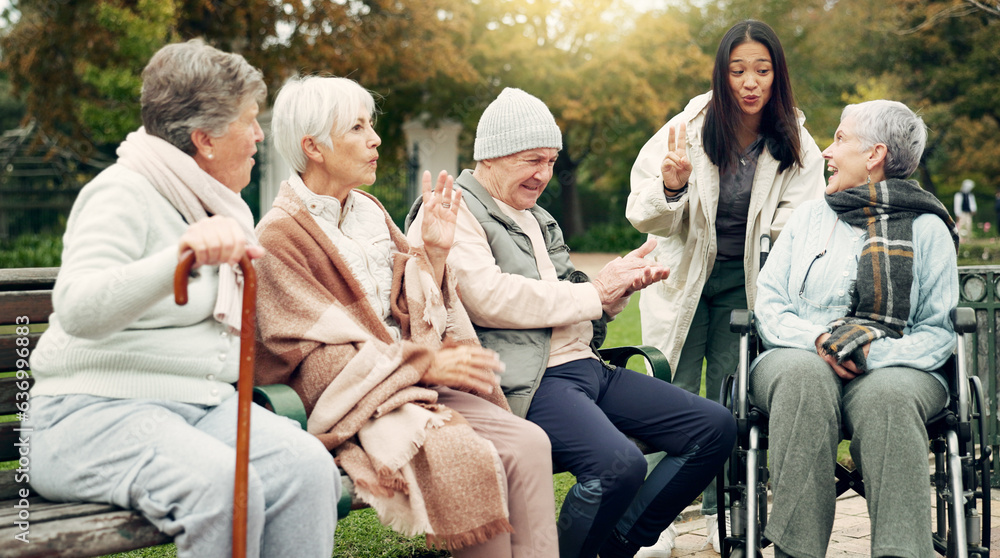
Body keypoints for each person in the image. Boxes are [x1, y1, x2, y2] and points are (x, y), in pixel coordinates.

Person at [24, 40, 338, 557]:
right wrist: (178, 256)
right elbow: (78, 309)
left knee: (304, 468)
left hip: (199, 408)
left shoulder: (217, 204)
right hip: (88, 417)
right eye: (249, 121)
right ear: (204, 140)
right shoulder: (122, 192)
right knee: (218, 487)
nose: (260, 136)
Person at [404, 87, 736, 558]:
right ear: (492, 157)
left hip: (587, 368)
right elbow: (488, 298)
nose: (544, 174)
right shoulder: (454, 208)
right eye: (532, 160)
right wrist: (592, 294)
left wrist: (612, 292)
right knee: (617, 466)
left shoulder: (535, 216)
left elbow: (573, 298)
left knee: (714, 426)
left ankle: (617, 543)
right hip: (533, 379)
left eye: (552, 161)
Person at [254, 76, 559, 557]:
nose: (375, 139)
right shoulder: (278, 236)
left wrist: (433, 255)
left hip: (413, 382)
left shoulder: (368, 211)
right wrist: (420, 366)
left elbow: (406, 305)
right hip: (358, 401)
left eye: (369, 125)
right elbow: (308, 357)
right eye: (357, 128)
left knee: (530, 444)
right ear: (313, 146)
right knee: (469, 456)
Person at [626, 20, 825, 554]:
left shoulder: (796, 142)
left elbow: (798, 224)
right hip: (683, 277)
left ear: (776, 74)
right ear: (722, 74)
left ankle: (723, 512)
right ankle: (655, 521)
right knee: (669, 395)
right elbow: (643, 213)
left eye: (761, 69)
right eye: (738, 70)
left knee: (729, 402)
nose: (749, 82)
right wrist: (672, 185)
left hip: (749, 283)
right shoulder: (687, 128)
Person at [751, 99, 958, 557]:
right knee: (805, 379)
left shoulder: (927, 229)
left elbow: (937, 331)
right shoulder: (808, 217)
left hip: (895, 364)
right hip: (799, 355)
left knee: (889, 397)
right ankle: (795, 551)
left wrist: (864, 354)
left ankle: (900, 551)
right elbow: (769, 306)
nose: (827, 150)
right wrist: (821, 341)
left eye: (840, 139)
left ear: (874, 155)